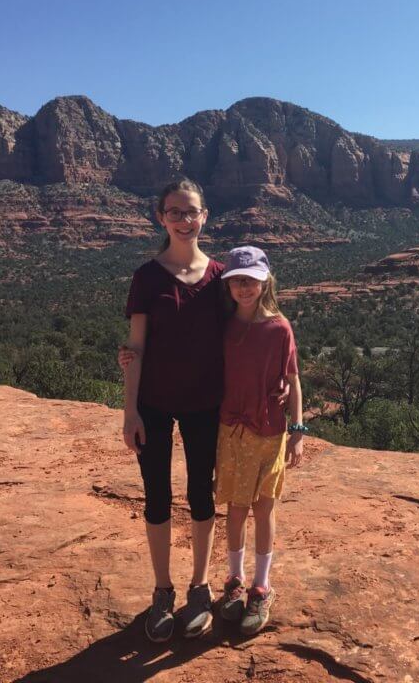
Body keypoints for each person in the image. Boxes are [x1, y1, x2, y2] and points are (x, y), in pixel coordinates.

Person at [121, 179, 224, 642]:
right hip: (155, 403)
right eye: (174, 212)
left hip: (207, 402)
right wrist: (130, 412)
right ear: (160, 217)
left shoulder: (221, 276)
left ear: (206, 215)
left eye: (191, 212)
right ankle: (163, 590)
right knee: (157, 495)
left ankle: (199, 588)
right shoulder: (147, 276)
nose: (184, 220)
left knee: (202, 493)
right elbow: (136, 347)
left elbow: (249, 333)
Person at [215, 245, 306, 636]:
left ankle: (262, 585)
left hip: (270, 431)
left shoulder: (279, 328)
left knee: (264, 508)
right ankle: (235, 582)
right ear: (229, 285)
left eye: (250, 280)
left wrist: (298, 431)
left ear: (265, 280)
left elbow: (294, 377)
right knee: (236, 509)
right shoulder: (223, 325)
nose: (244, 287)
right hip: (232, 430)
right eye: (237, 280)